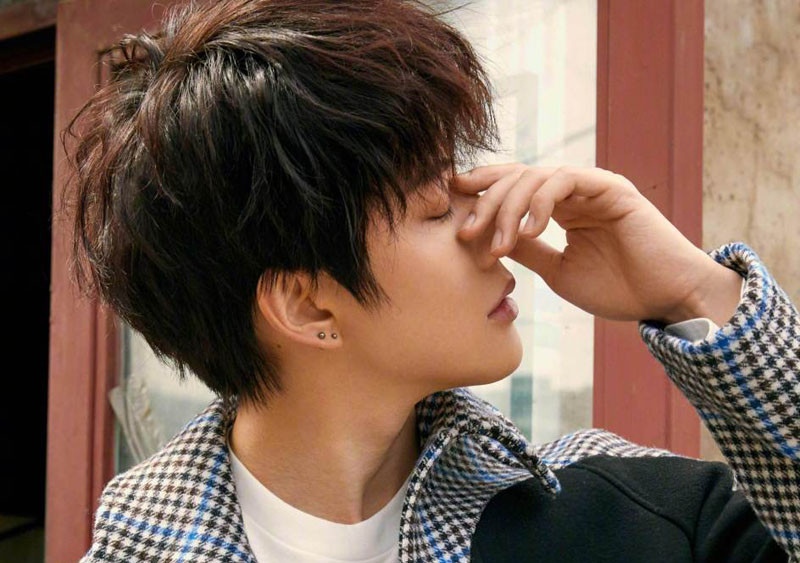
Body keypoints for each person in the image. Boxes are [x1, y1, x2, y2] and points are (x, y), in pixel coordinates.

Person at [66, 1, 798, 561]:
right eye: (435, 205)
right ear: (308, 304)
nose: (494, 225)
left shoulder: (631, 518)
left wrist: (694, 292)